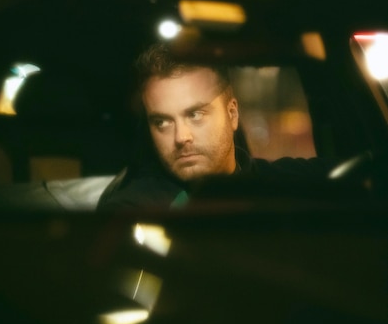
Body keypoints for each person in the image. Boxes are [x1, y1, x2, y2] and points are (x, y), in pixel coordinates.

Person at [97, 43, 336, 211]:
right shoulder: (134, 208)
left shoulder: (287, 184)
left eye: (195, 114)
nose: (181, 137)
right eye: (162, 122)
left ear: (232, 114)